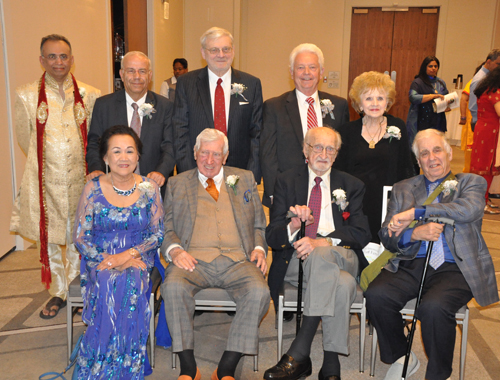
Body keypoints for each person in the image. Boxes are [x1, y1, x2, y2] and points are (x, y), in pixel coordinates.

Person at [365, 129, 498, 380]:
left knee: (434, 308)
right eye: (424, 153)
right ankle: (402, 356)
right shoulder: (403, 188)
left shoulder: (471, 182)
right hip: (412, 262)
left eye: (437, 150)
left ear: (449, 153)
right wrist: (414, 234)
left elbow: (467, 210)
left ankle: (438, 374)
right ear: (418, 161)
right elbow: (386, 235)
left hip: (455, 268)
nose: (432, 158)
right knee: (376, 295)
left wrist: (416, 214)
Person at [161, 128, 270, 380]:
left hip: (238, 260)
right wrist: (175, 250)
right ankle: (189, 368)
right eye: (204, 153)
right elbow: (166, 228)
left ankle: (226, 367)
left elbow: (257, 223)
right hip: (193, 260)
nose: (209, 160)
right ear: (195, 153)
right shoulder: (177, 183)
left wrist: (258, 248)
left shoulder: (244, 178)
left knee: (259, 292)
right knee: (173, 288)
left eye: (216, 154)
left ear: (226, 155)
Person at [264, 127, 371, 380]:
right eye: (317, 147)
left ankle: (299, 352)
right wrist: (292, 225)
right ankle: (331, 364)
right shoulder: (286, 180)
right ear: (305, 150)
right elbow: (272, 235)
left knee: (323, 256)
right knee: (341, 283)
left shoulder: (352, 185)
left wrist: (324, 241)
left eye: (330, 149)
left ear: (336, 155)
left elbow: (362, 233)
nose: (323, 154)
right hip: (297, 261)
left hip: (342, 255)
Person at [10, 34, 100, 319]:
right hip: (45, 179)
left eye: (63, 56)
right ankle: (58, 292)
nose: (59, 62)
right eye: (52, 56)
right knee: (49, 237)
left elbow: (94, 137)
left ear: (72, 60)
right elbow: (26, 138)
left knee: (79, 230)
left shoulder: (89, 94)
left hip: (80, 178)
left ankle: (78, 288)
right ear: (41, 60)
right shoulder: (26, 95)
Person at [73, 125, 164, 379]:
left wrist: (125, 257)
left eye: (129, 151)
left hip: (138, 255)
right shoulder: (92, 188)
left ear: (138, 157)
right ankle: (100, 364)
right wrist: (108, 259)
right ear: (105, 158)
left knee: (131, 281)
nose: (123, 158)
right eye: (116, 152)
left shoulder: (149, 188)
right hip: (98, 257)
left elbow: (157, 234)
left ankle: (126, 368)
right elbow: (80, 236)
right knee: (107, 280)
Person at [260, 43, 350, 207]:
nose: (306, 73)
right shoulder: (274, 107)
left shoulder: (338, 106)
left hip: (328, 191)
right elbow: (268, 155)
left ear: (321, 72)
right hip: (287, 191)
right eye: (300, 67)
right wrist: (274, 193)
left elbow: (343, 153)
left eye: (312, 67)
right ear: (291, 72)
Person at [174, 27, 263, 184]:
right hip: (197, 173)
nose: (221, 55)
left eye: (226, 49)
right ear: (203, 53)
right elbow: (180, 132)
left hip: (239, 173)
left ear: (233, 51)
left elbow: (257, 134)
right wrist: (189, 175)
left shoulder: (252, 84)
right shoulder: (186, 83)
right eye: (214, 50)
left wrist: (252, 175)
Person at [334, 71, 414, 244]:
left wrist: (407, 204)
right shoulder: (346, 132)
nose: (375, 103)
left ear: (388, 102)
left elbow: (406, 167)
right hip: (356, 203)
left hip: (387, 203)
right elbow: (339, 173)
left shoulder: (397, 126)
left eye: (380, 98)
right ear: (359, 103)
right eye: (368, 98)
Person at [86, 51, 175, 192]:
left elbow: (170, 145)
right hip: (112, 187)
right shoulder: (104, 105)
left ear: (150, 75)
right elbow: (94, 144)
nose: (137, 77)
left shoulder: (165, 106)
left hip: (153, 186)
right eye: (131, 71)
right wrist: (97, 169)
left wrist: (161, 172)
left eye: (142, 71)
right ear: (121, 74)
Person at [470, 66, 500, 214]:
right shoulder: (495, 93)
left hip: (482, 130)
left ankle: (484, 199)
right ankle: (482, 202)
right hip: (490, 133)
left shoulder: (485, 89)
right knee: (486, 168)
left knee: (482, 166)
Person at [406, 56, 449, 147]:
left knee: (437, 145)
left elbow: (445, 97)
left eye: (435, 66)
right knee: (421, 146)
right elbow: (413, 97)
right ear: (424, 67)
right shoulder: (417, 82)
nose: (433, 68)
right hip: (421, 118)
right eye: (430, 66)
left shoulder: (440, 83)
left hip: (437, 119)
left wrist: (447, 106)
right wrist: (432, 96)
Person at [468, 49, 500, 130]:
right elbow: (473, 105)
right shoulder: (480, 79)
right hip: (480, 121)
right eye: (498, 64)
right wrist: (478, 121)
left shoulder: (490, 77)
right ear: (488, 62)